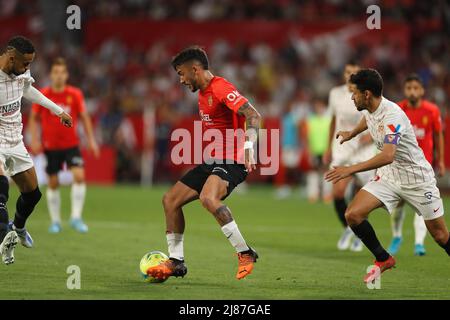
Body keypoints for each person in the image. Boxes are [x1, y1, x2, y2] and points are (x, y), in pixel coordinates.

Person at [146, 46, 261, 281]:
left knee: (208, 198)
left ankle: (245, 253)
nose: (180, 80)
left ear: (195, 69)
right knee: (170, 200)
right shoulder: (202, 92)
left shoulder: (220, 87)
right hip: (212, 161)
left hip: (233, 161)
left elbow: (253, 115)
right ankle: (176, 262)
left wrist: (249, 148)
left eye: (181, 73)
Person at [325, 69, 450, 284]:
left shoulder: (393, 115)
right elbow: (368, 119)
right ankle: (383, 259)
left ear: (366, 94)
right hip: (390, 178)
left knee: (440, 236)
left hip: (417, 179)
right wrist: (351, 133)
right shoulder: (371, 107)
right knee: (353, 214)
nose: (351, 97)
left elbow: (388, 155)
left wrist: (350, 168)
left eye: (354, 93)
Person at [0, 36, 72, 264]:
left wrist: (56, 110)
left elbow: (28, 90)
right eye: (25, 64)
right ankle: (4, 238)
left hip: (15, 141)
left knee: (33, 193)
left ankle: (17, 227)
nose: (27, 69)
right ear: (11, 58)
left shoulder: (19, 74)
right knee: (1, 189)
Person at [28, 57, 99, 234]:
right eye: (56, 72)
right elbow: (33, 119)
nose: (59, 76)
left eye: (62, 72)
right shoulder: (43, 94)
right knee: (53, 182)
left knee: (79, 176)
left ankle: (76, 218)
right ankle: (56, 222)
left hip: (71, 145)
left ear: (66, 75)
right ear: (51, 75)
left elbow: (84, 118)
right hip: (50, 147)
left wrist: (91, 140)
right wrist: (35, 140)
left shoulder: (75, 94)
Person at [387, 74, 446, 256]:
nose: (412, 91)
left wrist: (441, 161)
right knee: (398, 205)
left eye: (415, 88)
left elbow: (438, 136)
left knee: (423, 207)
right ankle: (397, 236)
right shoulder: (397, 110)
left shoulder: (432, 111)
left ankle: (419, 243)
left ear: (422, 91)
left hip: (422, 167)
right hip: (400, 166)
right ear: (405, 90)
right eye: (409, 88)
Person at [323, 62, 375, 252]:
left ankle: (360, 233)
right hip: (342, 148)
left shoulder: (367, 93)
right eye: (347, 71)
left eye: (354, 72)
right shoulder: (335, 94)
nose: (350, 75)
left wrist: (371, 134)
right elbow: (333, 121)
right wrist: (328, 147)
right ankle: (349, 229)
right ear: (343, 73)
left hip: (364, 150)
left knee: (361, 196)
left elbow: (376, 116)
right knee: (337, 193)